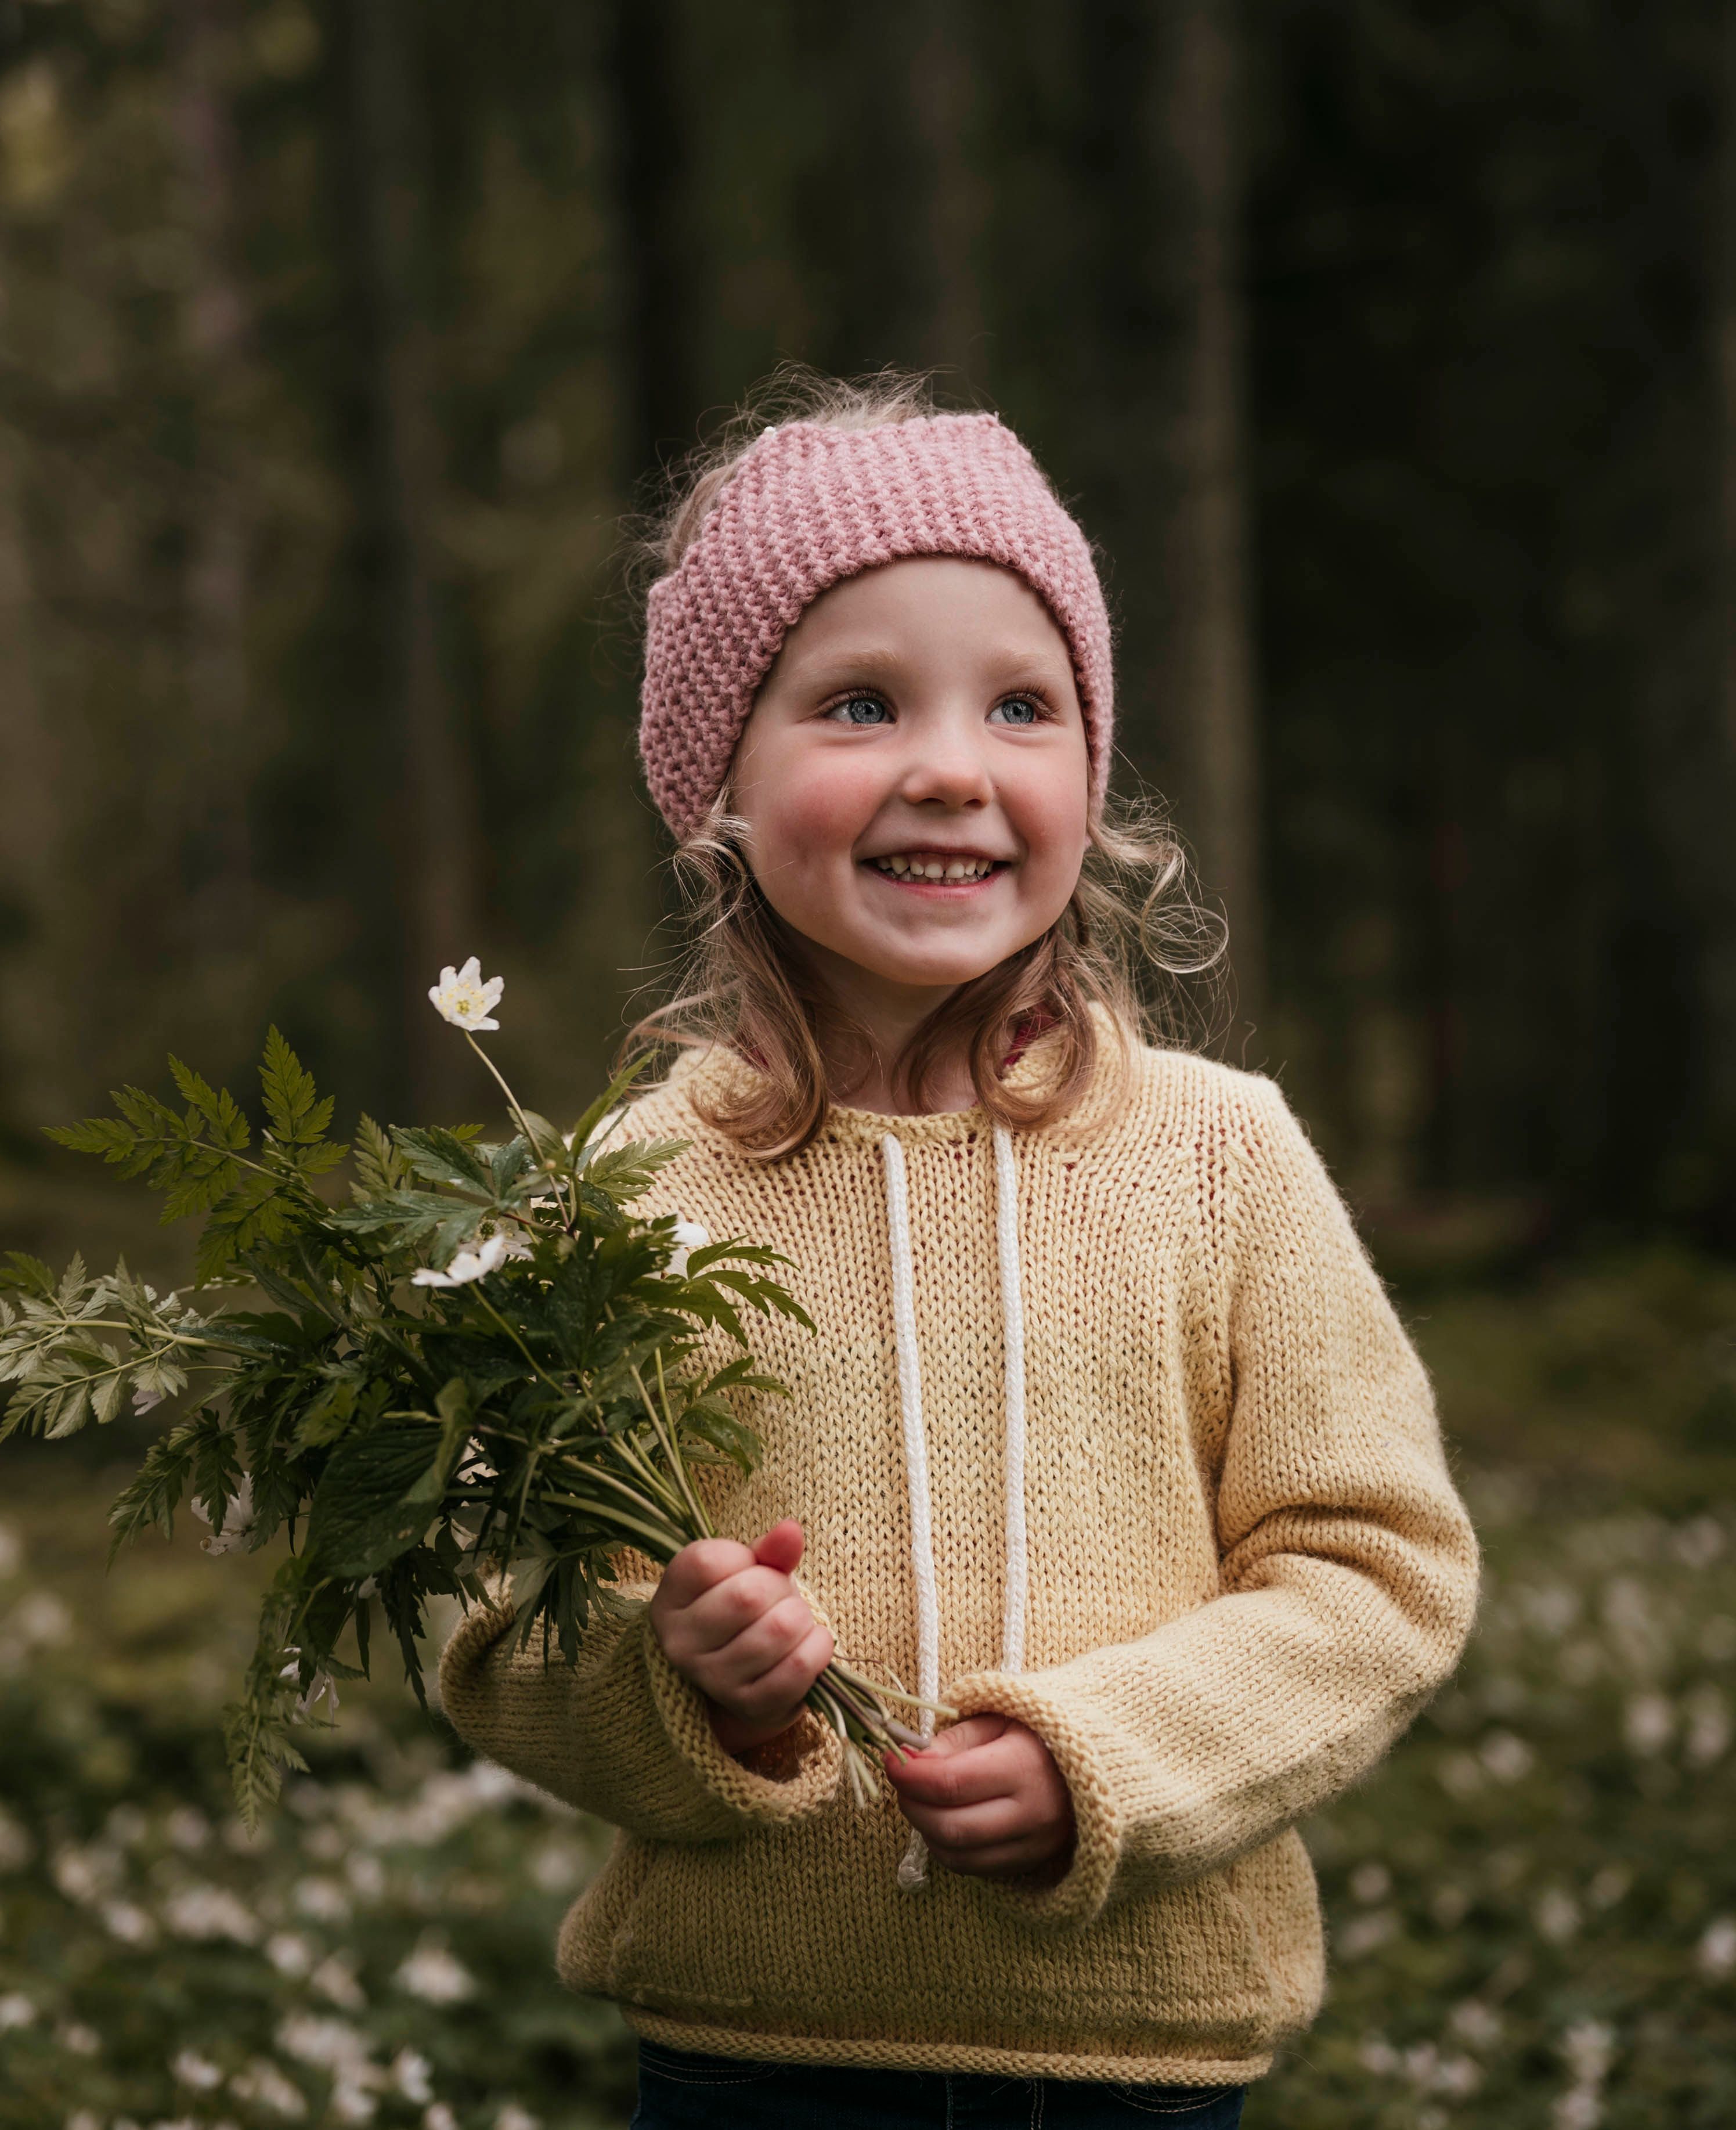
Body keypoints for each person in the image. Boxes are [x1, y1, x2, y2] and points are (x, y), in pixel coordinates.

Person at [438, 372, 1481, 2129]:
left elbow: (1372, 1571)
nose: (948, 766)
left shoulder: (1219, 1161)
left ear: (1089, 771)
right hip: (749, 2056)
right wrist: (686, 1686)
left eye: (1022, 705)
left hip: (1134, 2060)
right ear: (717, 791)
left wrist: (1110, 1764)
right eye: (859, 703)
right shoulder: (624, 1191)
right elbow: (496, 1615)